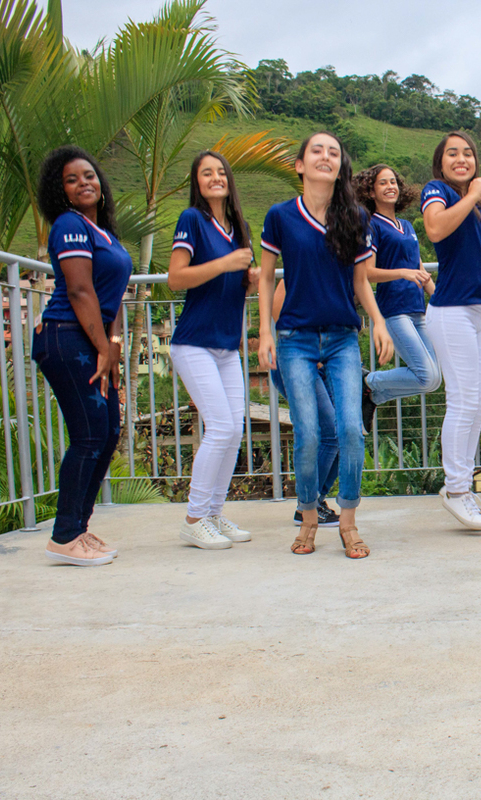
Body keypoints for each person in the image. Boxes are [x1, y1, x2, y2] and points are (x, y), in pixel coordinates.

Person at [256, 131, 394, 559]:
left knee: (351, 429)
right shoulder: (281, 216)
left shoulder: (355, 216)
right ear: (300, 165)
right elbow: (264, 278)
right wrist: (264, 331)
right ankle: (310, 517)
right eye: (316, 150)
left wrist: (378, 320)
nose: (325, 156)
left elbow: (359, 280)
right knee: (310, 433)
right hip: (294, 340)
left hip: (341, 339)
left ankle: (348, 523)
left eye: (333, 152)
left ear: (340, 167)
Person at [33, 145, 131, 566]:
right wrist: (101, 350)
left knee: (107, 432)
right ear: (62, 193)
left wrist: (113, 349)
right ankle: (64, 535)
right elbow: (79, 291)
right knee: (90, 435)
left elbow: (111, 301)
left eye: (88, 175)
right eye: (71, 180)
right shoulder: (69, 225)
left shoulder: (102, 231)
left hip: (90, 341)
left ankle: (78, 527)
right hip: (66, 338)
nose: (83, 183)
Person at [421, 132, 481, 531]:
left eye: (468, 153)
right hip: (451, 310)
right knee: (462, 401)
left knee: (480, 402)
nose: (462, 159)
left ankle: (462, 486)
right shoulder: (438, 191)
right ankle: (457, 487)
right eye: (453, 154)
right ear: (441, 162)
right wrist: (474, 192)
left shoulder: (479, 205)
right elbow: (435, 229)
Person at [166, 150, 258, 550]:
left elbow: (238, 286)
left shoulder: (238, 227)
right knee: (220, 426)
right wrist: (225, 264)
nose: (216, 177)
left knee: (233, 429)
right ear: (197, 182)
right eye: (207, 173)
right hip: (193, 342)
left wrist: (249, 280)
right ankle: (193, 518)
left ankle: (213, 513)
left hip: (226, 346)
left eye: (221, 171)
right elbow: (175, 278)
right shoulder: (192, 220)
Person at [354, 164, 441, 433]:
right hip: (394, 310)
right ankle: (370, 382)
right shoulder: (372, 226)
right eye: (383, 183)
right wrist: (402, 273)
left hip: (418, 308)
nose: (391, 186)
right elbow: (367, 272)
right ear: (371, 191)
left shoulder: (406, 225)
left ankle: (374, 394)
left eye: (394, 181)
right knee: (425, 375)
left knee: (435, 379)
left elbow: (419, 267)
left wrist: (438, 299)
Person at [269, 279, 342, 530]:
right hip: (297, 361)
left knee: (341, 434)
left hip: (325, 362)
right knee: (331, 432)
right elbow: (279, 314)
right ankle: (306, 506)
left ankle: (316, 501)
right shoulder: (298, 270)